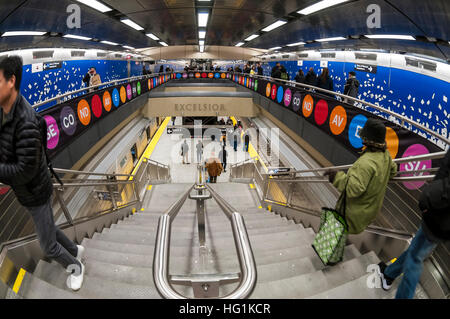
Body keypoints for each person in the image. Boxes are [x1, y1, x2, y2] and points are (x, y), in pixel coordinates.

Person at [0, 56, 85, 291]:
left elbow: (23, 171)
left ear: (11, 81)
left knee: (47, 246)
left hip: (35, 191)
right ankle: (76, 250)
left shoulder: (24, 121)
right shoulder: (8, 109)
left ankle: (76, 267)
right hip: (29, 192)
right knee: (48, 227)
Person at [376, 148, 450, 299]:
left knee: (415, 258)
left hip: (440, 215)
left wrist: (426, 200)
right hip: (443, 220)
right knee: (416, 250)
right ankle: (389, 274)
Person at [324, 118, 397, 235]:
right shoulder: (385, 155)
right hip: (369, 210)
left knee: (335, 233)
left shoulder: (365, 163)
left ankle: (328, 251)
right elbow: (393, 171)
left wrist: (336, 176)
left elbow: (353, 189)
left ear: (367, 139)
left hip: (352, 213)